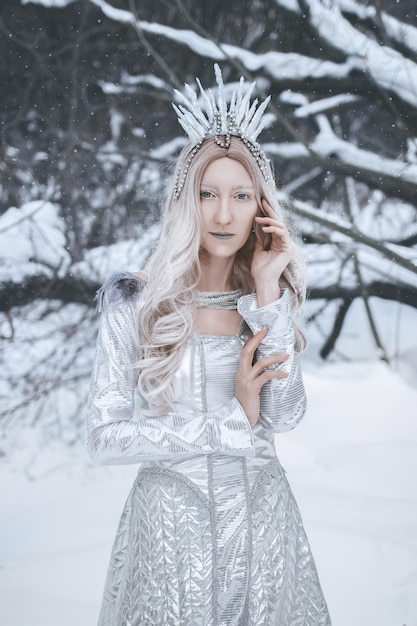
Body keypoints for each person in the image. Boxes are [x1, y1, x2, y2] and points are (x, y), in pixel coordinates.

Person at [86, 64, 331, 626]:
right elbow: (104, 437)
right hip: (172, 530)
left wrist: (269, 293)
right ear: (185, 201)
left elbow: (286, 414)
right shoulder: (136, 303)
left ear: (261, 207)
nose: (224, 214)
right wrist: (229, 420)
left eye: (241, 195)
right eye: (208, 194)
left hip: (265, 522)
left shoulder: (269, 301)